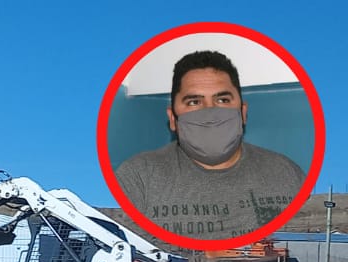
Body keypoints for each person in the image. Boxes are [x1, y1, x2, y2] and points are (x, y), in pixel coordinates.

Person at [115, 50, 306, 241]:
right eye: (194, 102)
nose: (210, 113)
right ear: (173, 118)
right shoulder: (137, 176)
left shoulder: (287, 174)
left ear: (243, 112)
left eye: (222, 100)